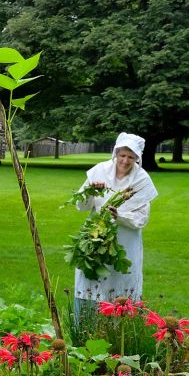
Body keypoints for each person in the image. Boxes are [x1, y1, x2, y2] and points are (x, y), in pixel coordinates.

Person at [73, 132, 158, 312]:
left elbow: (141, 219)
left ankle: (119, 329)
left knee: (121, 280)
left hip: (125, 240)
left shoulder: (141, 179)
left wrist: (119, 216)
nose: (125, 161)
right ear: (115, 154)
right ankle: (85, 327)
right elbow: (81, 205)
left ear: (137, 158)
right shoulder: (99, 171)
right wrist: (91, 190)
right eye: (122, 155)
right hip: (95, 237)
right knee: (91, 277)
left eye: (131, 157)